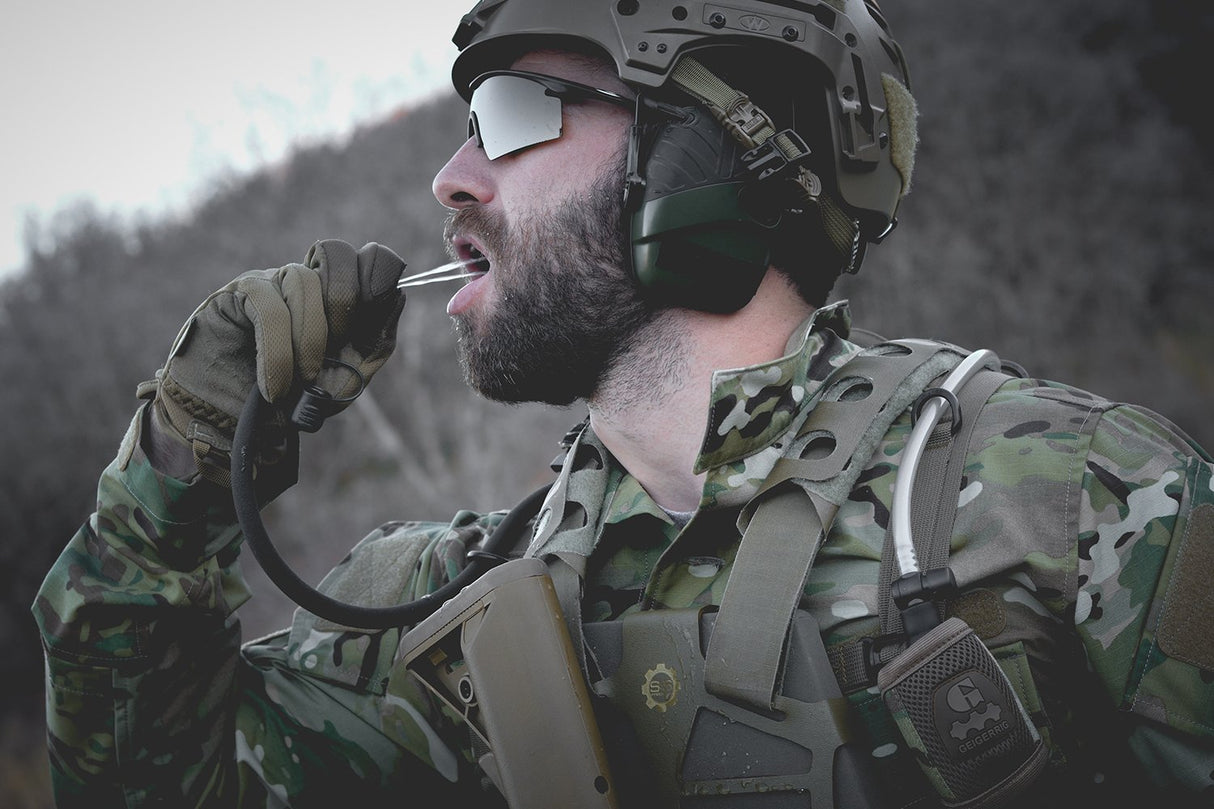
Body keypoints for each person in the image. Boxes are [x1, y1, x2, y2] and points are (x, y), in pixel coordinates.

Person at [33, 1, 1214, 806]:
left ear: (701, 152)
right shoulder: (430, 613)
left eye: (510, 113)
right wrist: (180, 462)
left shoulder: (1070, 500)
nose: (449, 177)